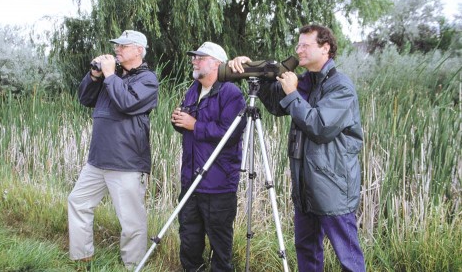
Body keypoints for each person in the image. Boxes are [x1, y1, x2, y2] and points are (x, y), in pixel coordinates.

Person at [229, 24, 366, 272]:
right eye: (298, 44)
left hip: (333, 188)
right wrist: (252, 70)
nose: (298, 50)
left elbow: (320, 126)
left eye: (305, 45)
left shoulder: (340, 87)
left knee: (348, 258)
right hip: (305, 187)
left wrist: (292, 93)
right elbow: (274, 104)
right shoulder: (305, 82)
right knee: (306, 250)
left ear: (325, 48)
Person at [68, 30, 159, 268]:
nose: (117, 49)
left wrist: (109, 76)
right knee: (78, 201)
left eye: (123, 46)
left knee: (131, 221)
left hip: (126, 161)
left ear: (138, 50)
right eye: (116, 46)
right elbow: (85, 99)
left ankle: (133, 265)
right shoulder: (112, 76)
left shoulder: (148, 80)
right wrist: (95, 75)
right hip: (97, 160)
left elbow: (127, 103)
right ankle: (82, 258)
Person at [171, 42, 246, 272]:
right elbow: (190, 127)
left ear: (217, 63)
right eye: (194, 57)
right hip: (190, 180)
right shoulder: (193, 89)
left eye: (200, 57)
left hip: (218, 184)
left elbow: (231, 133)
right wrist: (179, 122)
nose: (194, 61)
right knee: (189, 241)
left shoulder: (231, 93)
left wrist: (195, 125)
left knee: (220, 247)